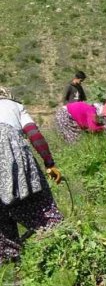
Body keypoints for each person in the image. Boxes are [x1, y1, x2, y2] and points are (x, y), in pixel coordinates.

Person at [0, 87, 64, 264]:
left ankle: (9, 261)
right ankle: (61, 243)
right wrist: (49, 163)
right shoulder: (14, 106)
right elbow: (34, 134)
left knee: (2, 217)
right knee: (38, 207)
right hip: (12, 159)